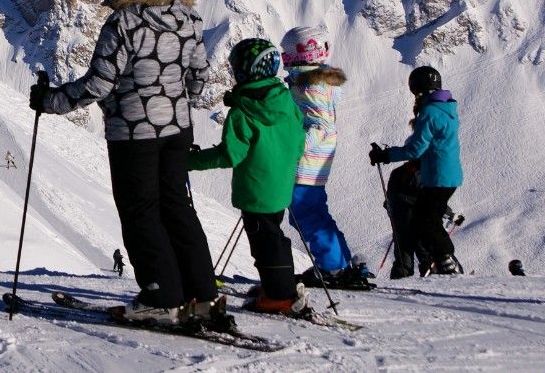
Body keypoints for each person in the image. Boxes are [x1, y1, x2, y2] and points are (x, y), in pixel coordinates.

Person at [33, 0, 220, 326]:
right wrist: (176, 104)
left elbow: (98, 85)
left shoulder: (125, 22)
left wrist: (49, 101)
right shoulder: (188, 17)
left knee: (141, 214)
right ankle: (204, 296)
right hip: (178, 130)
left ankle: (161, 296)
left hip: (134, 134)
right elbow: (200, 77)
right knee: (177, 208)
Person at [189, 38, 309, 316]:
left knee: (264, 243)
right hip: (280, 186)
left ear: (244, 72)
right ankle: (279, 285)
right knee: (274, 236)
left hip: (255, 190)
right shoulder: (285, 101)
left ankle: (280, 295)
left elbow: (229, 155)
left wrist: (189, 161)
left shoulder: (243, 112)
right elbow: (300, 141)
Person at [280, 27, 371, 289]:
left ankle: (332, 267)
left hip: (306, 161)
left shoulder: (309, 86)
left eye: (287, 53)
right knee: (315, 211)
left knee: (304, 213)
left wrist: (293, 148)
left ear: (299, 54)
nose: (284, 58)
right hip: (318, 161)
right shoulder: (319, 83)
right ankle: (338, 262)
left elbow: (320, 125)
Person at [369, 66, 463, 275]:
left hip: (437, 175)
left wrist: (386, 155)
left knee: (425, 219)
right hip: (448, 174)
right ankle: (441, 262)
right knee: (429, 217)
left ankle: (446, 258)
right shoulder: (446, 109)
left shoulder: (430, 112)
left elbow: (415, 149)